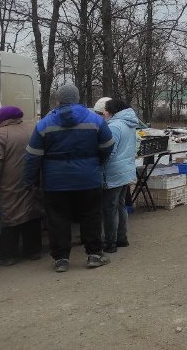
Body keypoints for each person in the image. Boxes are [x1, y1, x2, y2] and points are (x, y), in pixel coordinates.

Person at [24, 83, 114, 273]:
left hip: (55, 182)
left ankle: (61, 259)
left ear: (58, 100)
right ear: (77, 98)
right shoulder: (96, 120)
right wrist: (97, 162)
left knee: (58, 219)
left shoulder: (44, 124)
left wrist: (29, 179)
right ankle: (94, 255)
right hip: (88, 179)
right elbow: (108, 145)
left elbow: (33, 155)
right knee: (91, 216)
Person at [0, 106, 43, 266]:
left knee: (10, 216)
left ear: (2, 120)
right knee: (32, 213)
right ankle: (33, 251)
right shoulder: (32, 130)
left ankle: (8, 255)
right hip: (32, 181)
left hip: (9, 184)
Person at [98, 98, 139, 253]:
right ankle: (122, 238)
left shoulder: (114, 126)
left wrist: (99, 164)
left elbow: (109, 151)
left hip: (113, 173)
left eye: (105, 111)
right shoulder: (129, 124)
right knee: (120, 205)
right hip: (126, 171)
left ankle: (110, 242)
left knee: (109, 209)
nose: (104, 114)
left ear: (112, 111)